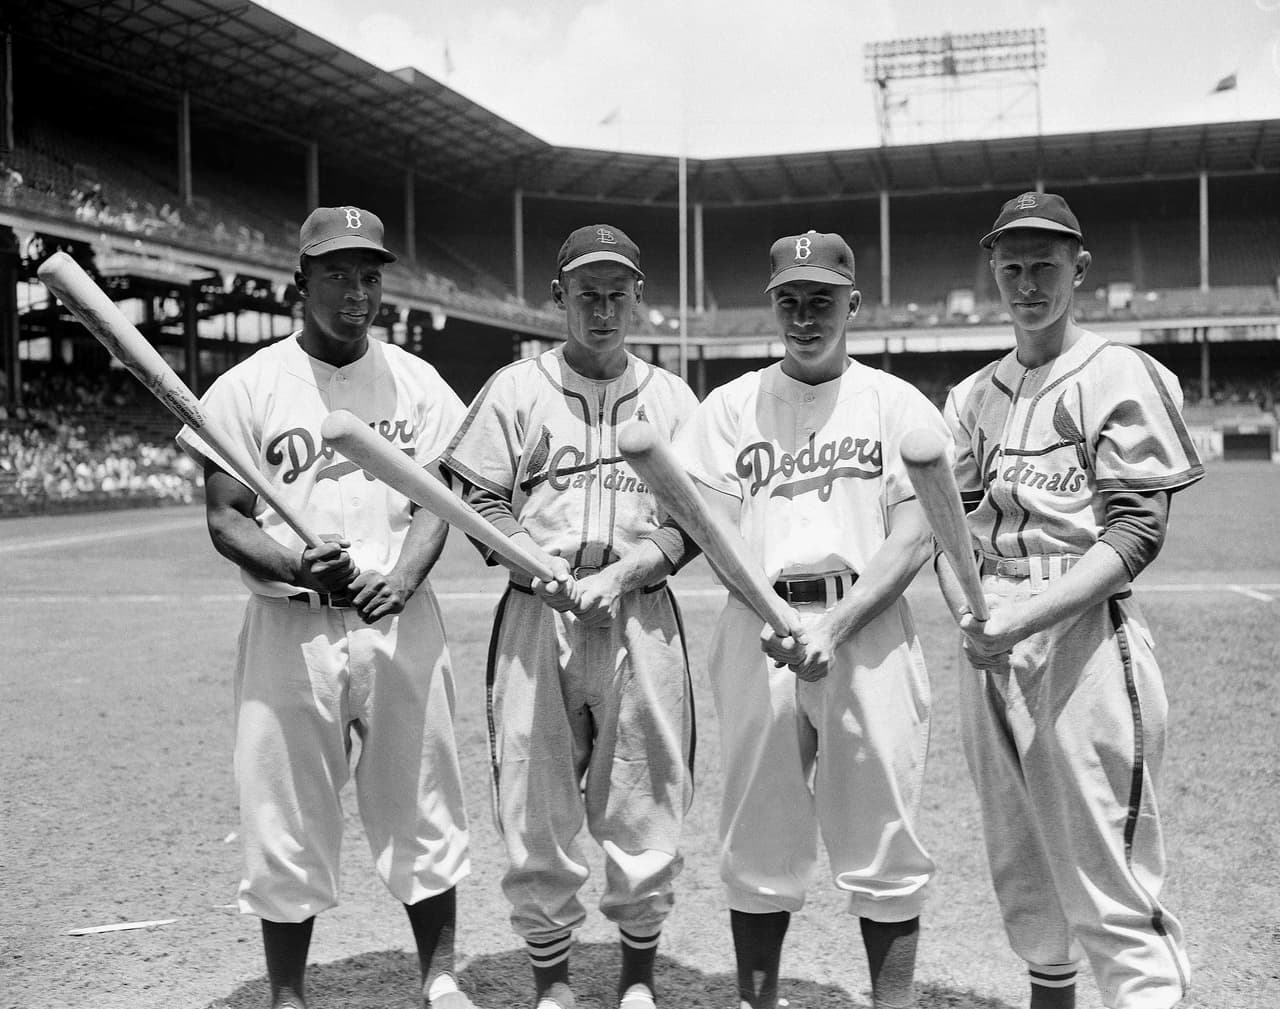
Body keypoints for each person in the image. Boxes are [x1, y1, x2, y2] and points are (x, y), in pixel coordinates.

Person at [176, 206, 481, 1009]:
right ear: (299, 282)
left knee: (422, 796)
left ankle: (441, 976)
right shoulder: (246, 387)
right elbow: (225, 517)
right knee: (283, 810)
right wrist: (293, 565)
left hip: (398, 618)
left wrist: (407, 577)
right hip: (291, 625)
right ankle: (287, 992)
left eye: (370, 274)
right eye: (338, 272)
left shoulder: (417, 382)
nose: (358, 290)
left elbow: (440, 501)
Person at [936, 192, 1203, 1009]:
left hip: (1083, 624)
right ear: (992, 271)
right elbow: (951, 533)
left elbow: (1135, 534)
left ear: (1078, 268)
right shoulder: (970, 395)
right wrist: (973, 615)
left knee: (1106, 867)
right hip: (991, 631)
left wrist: (1024, 615)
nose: (1027, 281)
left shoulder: (1122, 372)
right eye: (1012, 265)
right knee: (1022, 862)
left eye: (1045, 264)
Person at [673, 231, 947, 1009]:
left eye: (821, 299)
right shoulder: (730, 407)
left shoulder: (897, 403)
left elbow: (914, 536)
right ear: (773, 305)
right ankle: (759, 1002)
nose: (804, 315)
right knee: (759, 829)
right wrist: (775, 612)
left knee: (884, 828)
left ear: (852, 304)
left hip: (870, 625)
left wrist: (837, 623)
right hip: (758, 627)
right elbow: (716, 531)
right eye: (789, 300)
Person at [439, 225, 699, 1009]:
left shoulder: (673, 398)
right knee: (534, 798)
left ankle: (637, 981)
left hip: (641, 609)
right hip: (535, 610)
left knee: (644, 796)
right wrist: (537, 562)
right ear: (559, 297)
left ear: (638, 297)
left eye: (618, 292)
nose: (603, 307)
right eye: (587, 293)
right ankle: (553, 984)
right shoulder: (516, 388)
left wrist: (625, 570)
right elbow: (476, 495)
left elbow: (695, 517)